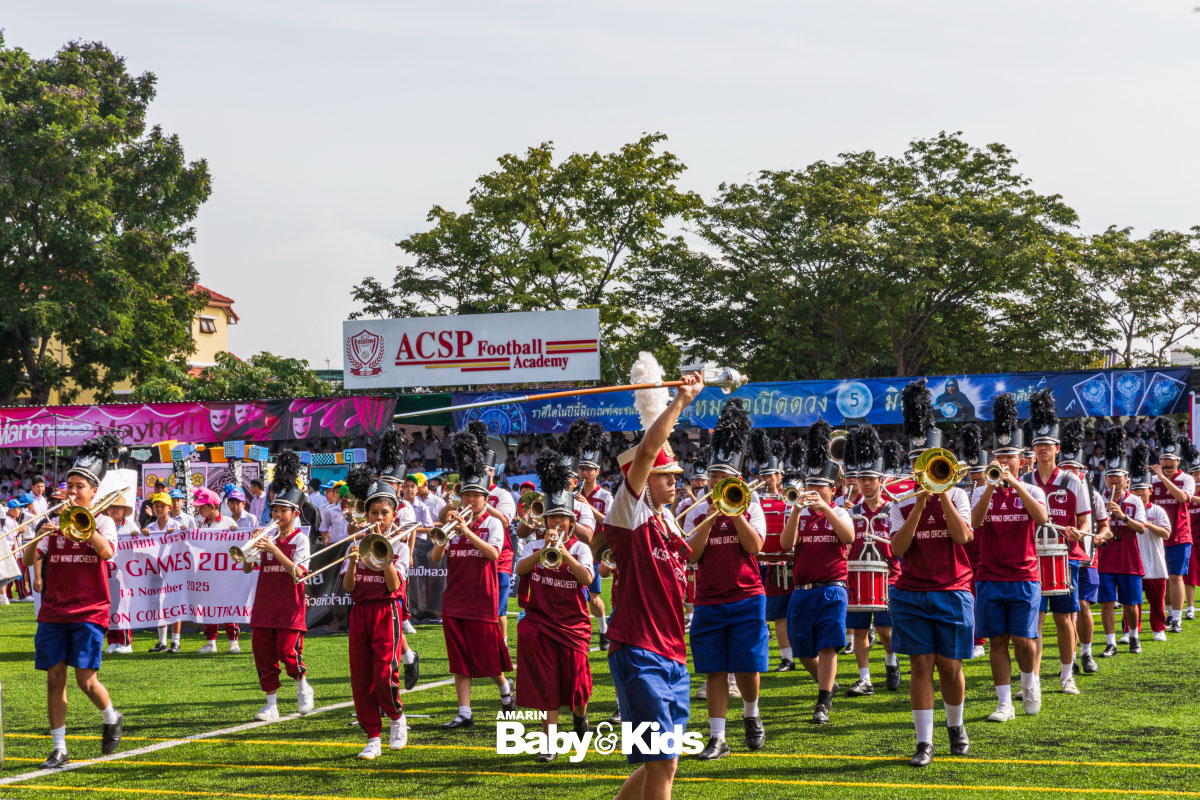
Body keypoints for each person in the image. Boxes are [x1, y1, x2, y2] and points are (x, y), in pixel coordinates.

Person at [598, 356, 702, 800]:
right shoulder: (629, 510)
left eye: (676, 475)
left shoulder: (666, 519)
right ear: (643, 478)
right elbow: (645, 450)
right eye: (667, 475)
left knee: (665, 760)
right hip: (640, 650)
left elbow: (688, 558)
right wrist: (680, 400)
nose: (675, 482)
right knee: (662, 759)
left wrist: (716, 518)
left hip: (672, 652)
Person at [23, 433, 125, 768]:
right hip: (54, 610)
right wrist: (39, 532)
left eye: (79, 486)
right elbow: (26, 559)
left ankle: (111, 717)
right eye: (70, 486)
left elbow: (107, 552)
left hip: (89, 610)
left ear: (94, 491)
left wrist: (82, 527)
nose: (72, 491)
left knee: (86, 680)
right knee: (54, 677)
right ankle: (59, 747)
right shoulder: (51, 522)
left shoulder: (104, 520)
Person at [888, 379, 974, 767]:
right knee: (920, 665)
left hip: (953, 589)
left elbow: (963, 537)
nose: (923, 467)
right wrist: (920, 505)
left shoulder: (957, 494)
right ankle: (924, 742)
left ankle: (955, 726)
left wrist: (941, 496)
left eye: (930, 460)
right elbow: (899, 550)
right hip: (911, 591)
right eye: (917, 460)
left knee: (950, 666)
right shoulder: (901, 502)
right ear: (910, 464)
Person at [683, 400, 768, 756]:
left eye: (724, 477)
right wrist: (708, 517)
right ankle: (717, 736)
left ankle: (751, 713)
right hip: (709, 599)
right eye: (713, 476)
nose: (717, 482)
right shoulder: (696, 510)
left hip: (747, 596)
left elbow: (756, 545)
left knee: (747, 669)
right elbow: (692, 555)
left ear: (736, 479)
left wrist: (733, 513)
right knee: (714, 670)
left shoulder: (750, 505)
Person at [971, 393, 1051, 722]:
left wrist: (1015, 485)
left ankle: (1030, 682)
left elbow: (1043, 519)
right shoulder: (980, 490)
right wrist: (992, 486)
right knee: (997, 640)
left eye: (1010, 458)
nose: (1004, 463)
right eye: (999, 457)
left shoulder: (1032, 490)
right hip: (989, 575)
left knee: (1024, 638)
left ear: (1022, 461)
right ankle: (1004, 702)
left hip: (1024, 575)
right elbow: (974, 523)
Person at [515, 449, 596, 763]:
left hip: (574, 626)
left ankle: (579, 716)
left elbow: (587, 580)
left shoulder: (581, 548)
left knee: (578, 686)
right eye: (552, 518)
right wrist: (544, 550)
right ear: (545, 520)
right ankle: (549, 744)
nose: (557, 522)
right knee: (548, 684)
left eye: (563, 518)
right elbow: (521, 570)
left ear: (572, 522)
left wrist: (564, 551)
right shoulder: (536, 545)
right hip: (543, 624)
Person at [434, 431, 515, 730]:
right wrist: (447, 533)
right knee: (459, 658)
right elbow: (434, 557)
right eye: (465, 494)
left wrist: (466, 531)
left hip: (482, 596)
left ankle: (505, 691)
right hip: (455, 596)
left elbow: (494, 554)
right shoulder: (456, 519)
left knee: (488, 655)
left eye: (474, 495)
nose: (469, 499)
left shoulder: (493, 520)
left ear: (485, 497)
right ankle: (464, 711)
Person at [781, 422, 855, 725]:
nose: (811, 490)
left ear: (832, 490)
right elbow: (787, 545)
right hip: (802, 589)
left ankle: (822, 701)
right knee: (801, 649)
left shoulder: (838, 511)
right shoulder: (797, 512)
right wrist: (797, 509)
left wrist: (824, 507)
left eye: (818, 486)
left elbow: (848, 538)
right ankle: (828, 684)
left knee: (827, 645)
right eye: (808, 485)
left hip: (831, 588)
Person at [1023, 390, 1091, 695]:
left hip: (1067, 555)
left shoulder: (1073, 481)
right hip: (1032, 557)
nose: (1042, 449)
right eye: (1037, 445)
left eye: (1047, 445)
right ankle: (1033, 679)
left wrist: (1080, 532)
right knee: (1033, 619)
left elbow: (1086, 519)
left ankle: (1067, 675)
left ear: (1057, 448)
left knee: (1064, 618)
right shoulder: (1025, 480)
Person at [341, 467, 411, 759]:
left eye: (384, 512)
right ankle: (372, 735)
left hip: (386, 612)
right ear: (366, 515)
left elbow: (394, 586)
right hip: (360, 613)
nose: (379, 518)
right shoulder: (356, 543)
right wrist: (354, 563)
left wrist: (385, 556)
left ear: (393, 516)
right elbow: (348, 587)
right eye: (374, 513)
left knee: (384, 673)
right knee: (361, 678)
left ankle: (396, 717)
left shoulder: (401, 545)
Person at [249, 451, 315, 721]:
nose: (276, 514)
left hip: (290, 606)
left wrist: (272, 548)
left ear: (294, 513)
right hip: (264, 605)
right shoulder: (266, 536)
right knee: (263, 656)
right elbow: (246, 566)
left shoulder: (301, 540)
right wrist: (252, 549)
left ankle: (302, 686)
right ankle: (271, 704)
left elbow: (299, 573)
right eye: (274, 509)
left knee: (289, 653)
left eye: (282, 510)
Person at [844, 425, 902, 696]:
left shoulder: (893, 508)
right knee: (858, 631)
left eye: (871, 479)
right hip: (857, 576)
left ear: (880, 480)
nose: (865, 484)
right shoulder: (851, 512)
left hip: (888, 576)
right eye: (861, 479)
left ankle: (891, 663)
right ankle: (864, 678)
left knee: (884, 629)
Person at [1056, 421, 1110, 675]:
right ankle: (1070, 659)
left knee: (1084, 606)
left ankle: (1086, 654)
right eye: (1065, 468)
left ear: (1082, 470)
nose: (1070, 473)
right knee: (1065, 613)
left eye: (1074, 468)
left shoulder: (1093, 493)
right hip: (1056, 556)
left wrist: (1099, 537)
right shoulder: (1051, 490)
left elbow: (1105, 527)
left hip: (1086, 556)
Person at [1096, 428, 1148, 657]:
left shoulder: (1135, 500)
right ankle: (1110, 643)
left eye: (1118, 476)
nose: (1114, 480)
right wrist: (1105, 521)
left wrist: (1123, 516)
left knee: (1130, 603)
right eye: (1110, 476)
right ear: (1106, 479)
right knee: (1107, 603)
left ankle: (1134, 637)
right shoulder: (1099, 499)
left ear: (1127, 480)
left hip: (1129, 558)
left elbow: (1142, 528)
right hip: (1106, 558)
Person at [752, 434, 796, 674]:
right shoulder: (753, 498)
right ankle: (780, 655)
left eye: (771, 474)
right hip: (757, 559)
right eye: (764, 474)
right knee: (765, 610)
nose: (767, 479)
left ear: (781, 476)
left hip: (781, 561)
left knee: (782, 612)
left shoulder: (789, 499)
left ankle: (789, 656)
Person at [1148, 418, 1193, 633]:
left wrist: (1163, 479)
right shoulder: (1153, 481)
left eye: (1170, 463)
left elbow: (1182, 499)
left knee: (1176, 577)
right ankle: (1165, 614)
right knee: (1161, 576)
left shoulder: (1186, 479)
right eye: (1163, 461)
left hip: (1180, 535)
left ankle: (1177, 618)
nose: (1165, 466)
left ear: (1178, 462)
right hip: (1158, 536)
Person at [576, 423, 614, 651]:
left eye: (589, 469)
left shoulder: (605, 495)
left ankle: (603, 629)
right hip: (576, 549)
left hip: (597, 550)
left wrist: (588, 507)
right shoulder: (575, 493)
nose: (584, 473)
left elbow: (609, 522)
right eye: (582, 468)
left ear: (597, 471)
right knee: (578, 596)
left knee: (594, 598)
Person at [194, 487, 242, 654]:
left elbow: (237, 548)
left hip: (226, 572)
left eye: (202, 506)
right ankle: (211, 642)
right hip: (206, 572)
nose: (199, 509)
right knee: (209, 606)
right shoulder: (199, 523)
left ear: (212, 506)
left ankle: (233, 641)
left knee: (228, 605)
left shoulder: (228, 523)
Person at [1130, 452, 1171, 642]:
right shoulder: (1126, 510)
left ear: (1150, 491)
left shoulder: (1157, 511)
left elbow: (1166, 533)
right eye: (1135, 492)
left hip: (1155, 563)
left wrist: (1146, 524)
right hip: (1133, 565)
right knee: (1132, 601)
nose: (1139, 495)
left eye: (1142, 492)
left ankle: (1158, 628)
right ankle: (1131, 630)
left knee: (1156, 601)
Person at [142, 492, 187, 653]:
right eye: (156, 506)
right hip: (155, 570)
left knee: (174, 604)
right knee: (158, 604)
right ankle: (162, 642)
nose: (159, 509)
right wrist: (141, 534)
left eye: (162, 506)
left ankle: (175, 641)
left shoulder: (176, 525)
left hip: (174, 569)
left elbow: (188, 541)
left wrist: (182, 531)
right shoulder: (150, 527)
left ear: (169, 508)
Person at [103, 486, 139, 655]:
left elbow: (140, 547)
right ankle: (112, 640)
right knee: (109, 606)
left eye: (117, 508)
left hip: (124, 573)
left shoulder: (131, 526)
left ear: (124, 511)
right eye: (111, 507)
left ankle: (125, 641)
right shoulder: (103, 525)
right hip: (106, 571)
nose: (113, 510)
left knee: (122, 607)